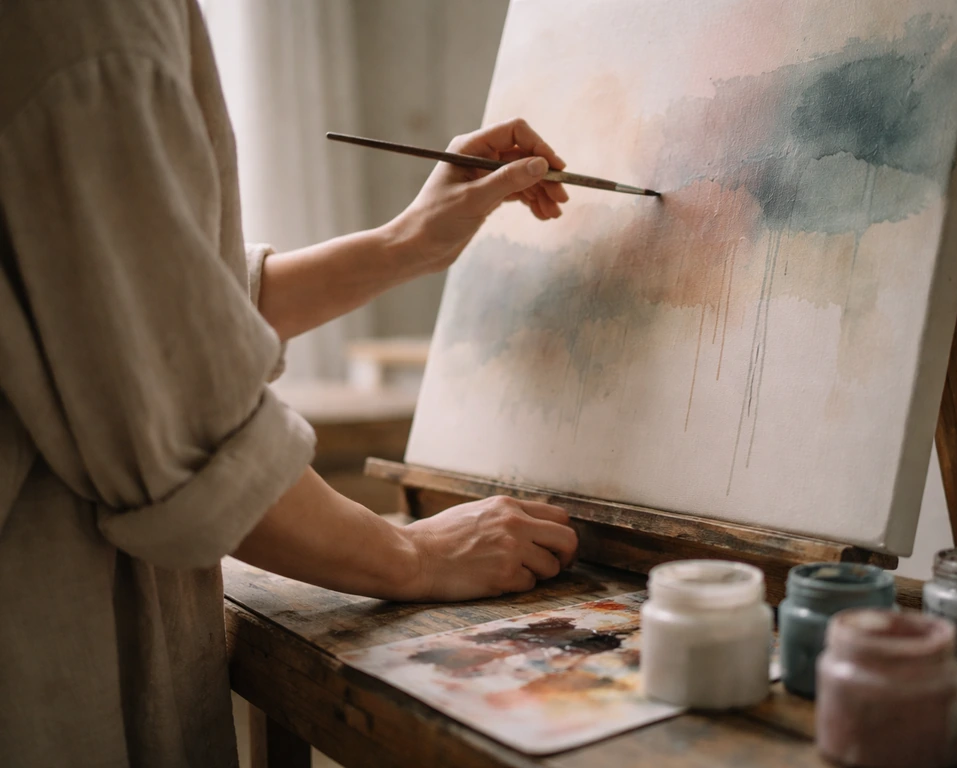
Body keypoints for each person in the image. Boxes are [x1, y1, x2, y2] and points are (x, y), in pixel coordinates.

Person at [0, 1, 578, 765]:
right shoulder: (90, 19)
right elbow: (177, 418)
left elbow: (134, 307)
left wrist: (407, 242)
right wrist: (415, 557)